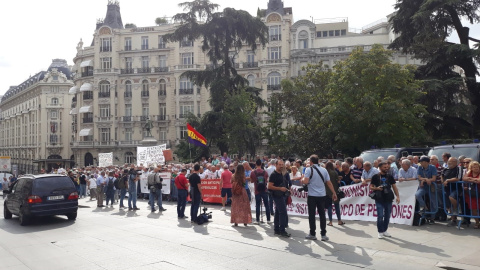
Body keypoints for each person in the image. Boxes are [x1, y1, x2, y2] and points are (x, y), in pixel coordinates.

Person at [302, 155, 337, 241]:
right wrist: (334, 192)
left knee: (312, 215)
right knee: (322, 215)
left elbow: (306, 181)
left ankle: (312, 233)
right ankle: (323, 234)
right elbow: (328, 183)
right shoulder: (324, 170)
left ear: (311, 161)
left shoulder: (308, 169)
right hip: (322, 195)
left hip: (312, 196)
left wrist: (302, 179)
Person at [370, 161, 400, 239]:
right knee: (380, 215)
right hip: (379, 198)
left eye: (387, 167)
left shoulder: (390, 176)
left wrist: (397, 196)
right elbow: (371, 187)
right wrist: (377, 188)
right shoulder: (375, 176)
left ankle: (385, 230)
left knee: (387, 216)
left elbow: (394, 187)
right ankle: (380, 231)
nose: (386, 169)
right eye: (384, 167)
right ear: (380, 168)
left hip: (388, 197)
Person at [268, 159, 290, 237]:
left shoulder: (281, 173)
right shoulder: (273, 174)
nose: (281, 166)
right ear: (276, 165)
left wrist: (287, 189)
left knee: (277, 212)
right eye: (279, 164)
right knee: (283, 212)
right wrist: (280, 189)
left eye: (282, 164)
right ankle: (282, 230)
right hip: (277, 195)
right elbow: (269, 186)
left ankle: (277, 230)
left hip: (281, 195)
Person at [416, 156, 438, 224]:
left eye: (421, 162)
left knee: (433, 202)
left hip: (431, 186)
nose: (420, 163)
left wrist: (425, 180)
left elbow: (434, 178)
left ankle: (432, 218)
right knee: (417, 195)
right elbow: (419, 177)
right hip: (423, 187)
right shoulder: (420, 167)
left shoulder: (432, 167)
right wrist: (426, 179)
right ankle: (425, 207)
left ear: (425, 162)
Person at [442, 157, 462, 225]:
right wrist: (443, 181)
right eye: (449, 161)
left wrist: (447, 180)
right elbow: (442, 175)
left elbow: (458, 178)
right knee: (449, 204)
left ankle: (456, 209)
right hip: (447, 188)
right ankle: (453, 219)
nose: (449, 162)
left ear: (455, 162)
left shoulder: (458, 168)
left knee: (452, 197)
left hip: (456, 188)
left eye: (451, 161)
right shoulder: (446, 169)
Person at [250, 159, 271, 224]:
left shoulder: (253, 172)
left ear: (255, 164)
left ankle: (257, 220)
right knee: (267, 205)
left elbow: (251, 181)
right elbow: (267, 180)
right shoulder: (265, 172)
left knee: (258, 205)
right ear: (261, 164)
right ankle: (268, 220)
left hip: (257, 190)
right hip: (264, 190)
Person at [325, 162, 343, 226]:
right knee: (336, 206)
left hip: (327, 191)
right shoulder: (335, 172)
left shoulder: (325, 172)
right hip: (335, 190)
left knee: (329, 207)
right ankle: (339, 220)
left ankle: (330, 221)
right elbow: (338, 181)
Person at [463, 161, 480, 229]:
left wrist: (470, 179)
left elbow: (479, 181)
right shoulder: (469, 172)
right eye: (474, 167)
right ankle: (477, 222)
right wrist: (474, 180)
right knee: (474, 209)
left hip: (479, 193)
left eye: (477, 167)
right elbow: (464, 178)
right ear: (471, 168)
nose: (476, 168)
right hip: (472, 194)